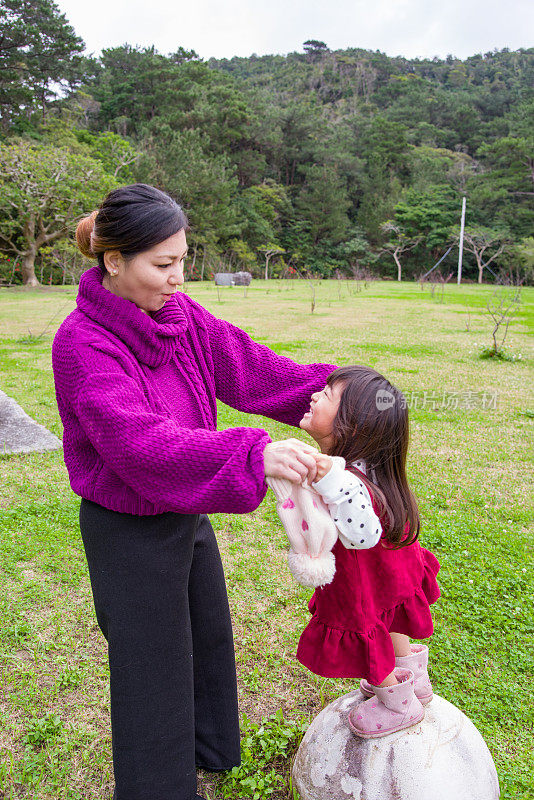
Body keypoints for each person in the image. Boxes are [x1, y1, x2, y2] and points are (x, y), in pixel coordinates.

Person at [51, 183, 337, 800]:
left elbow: (253, 368)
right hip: (126, 528)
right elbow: (137, 444)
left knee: (206, 634)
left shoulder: (181, 318)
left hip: (184, 509)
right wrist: (254, 452)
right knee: (150, 666)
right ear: (113, 261)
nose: (179, 277)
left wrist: (340, 394)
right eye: (163, 264)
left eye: (183, 260)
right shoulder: (82, 343)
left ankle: (211, 750)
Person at [279, 364, 441, 738]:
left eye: (327, 395)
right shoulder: (372, 466)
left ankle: (397, 701)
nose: (315, 396)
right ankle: (413, 679)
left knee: (370, 626)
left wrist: (328, 477)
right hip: (390, 574)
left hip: (361, 583)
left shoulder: (345, 479)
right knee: (393, 614)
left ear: (351, 426)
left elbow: (362, 534)